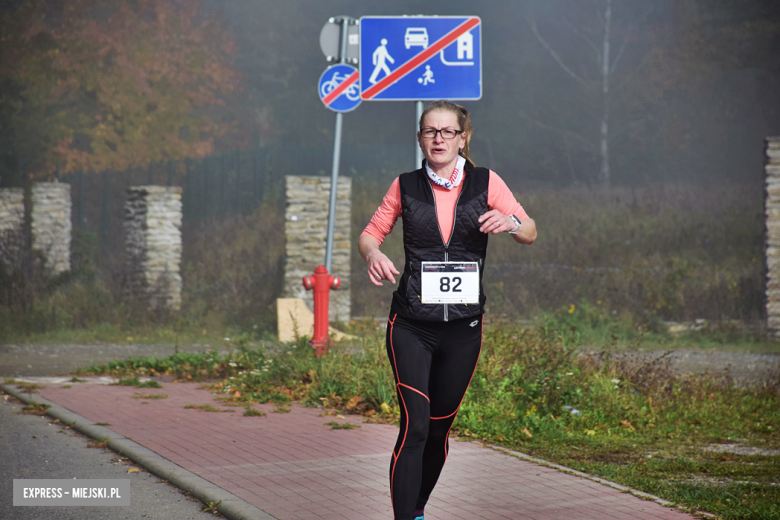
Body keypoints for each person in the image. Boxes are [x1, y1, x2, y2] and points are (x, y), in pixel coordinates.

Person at [358, 100, 537, 520]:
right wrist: (372, 255)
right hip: (412, 325)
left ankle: (417, 509)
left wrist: (509, 224)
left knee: (438, 428)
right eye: (429, 131)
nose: (438, 139)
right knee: (416, 423)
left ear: (463, 137)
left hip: (462, 328)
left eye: (447, 132)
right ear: (420, 138)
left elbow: (529, 230)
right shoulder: (404, 186)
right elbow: (370, 235)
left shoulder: (487, 182)